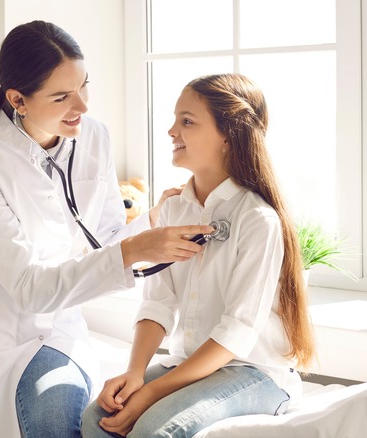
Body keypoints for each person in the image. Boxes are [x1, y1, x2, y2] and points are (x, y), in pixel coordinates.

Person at [0, 20, 212, 438]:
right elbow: (28, 287)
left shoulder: (93, 135)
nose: (80, 106)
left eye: (84, 87)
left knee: (57, 418)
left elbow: (105, 237)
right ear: (18, 100)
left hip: (57, 324)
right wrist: (135, 250)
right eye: (61, 96)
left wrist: (150, 223)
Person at [81, 73, 316, 437]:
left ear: (228, 135)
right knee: (96, 420)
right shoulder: (175, 210)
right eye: (175, 120)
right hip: (188, 364)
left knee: (156, 431)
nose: (172, 131)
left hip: (252, 371)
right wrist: (135, 373)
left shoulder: (257, 219)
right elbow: (158, 303)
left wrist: (151, 394)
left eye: (187, 121)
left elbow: (237, 333)